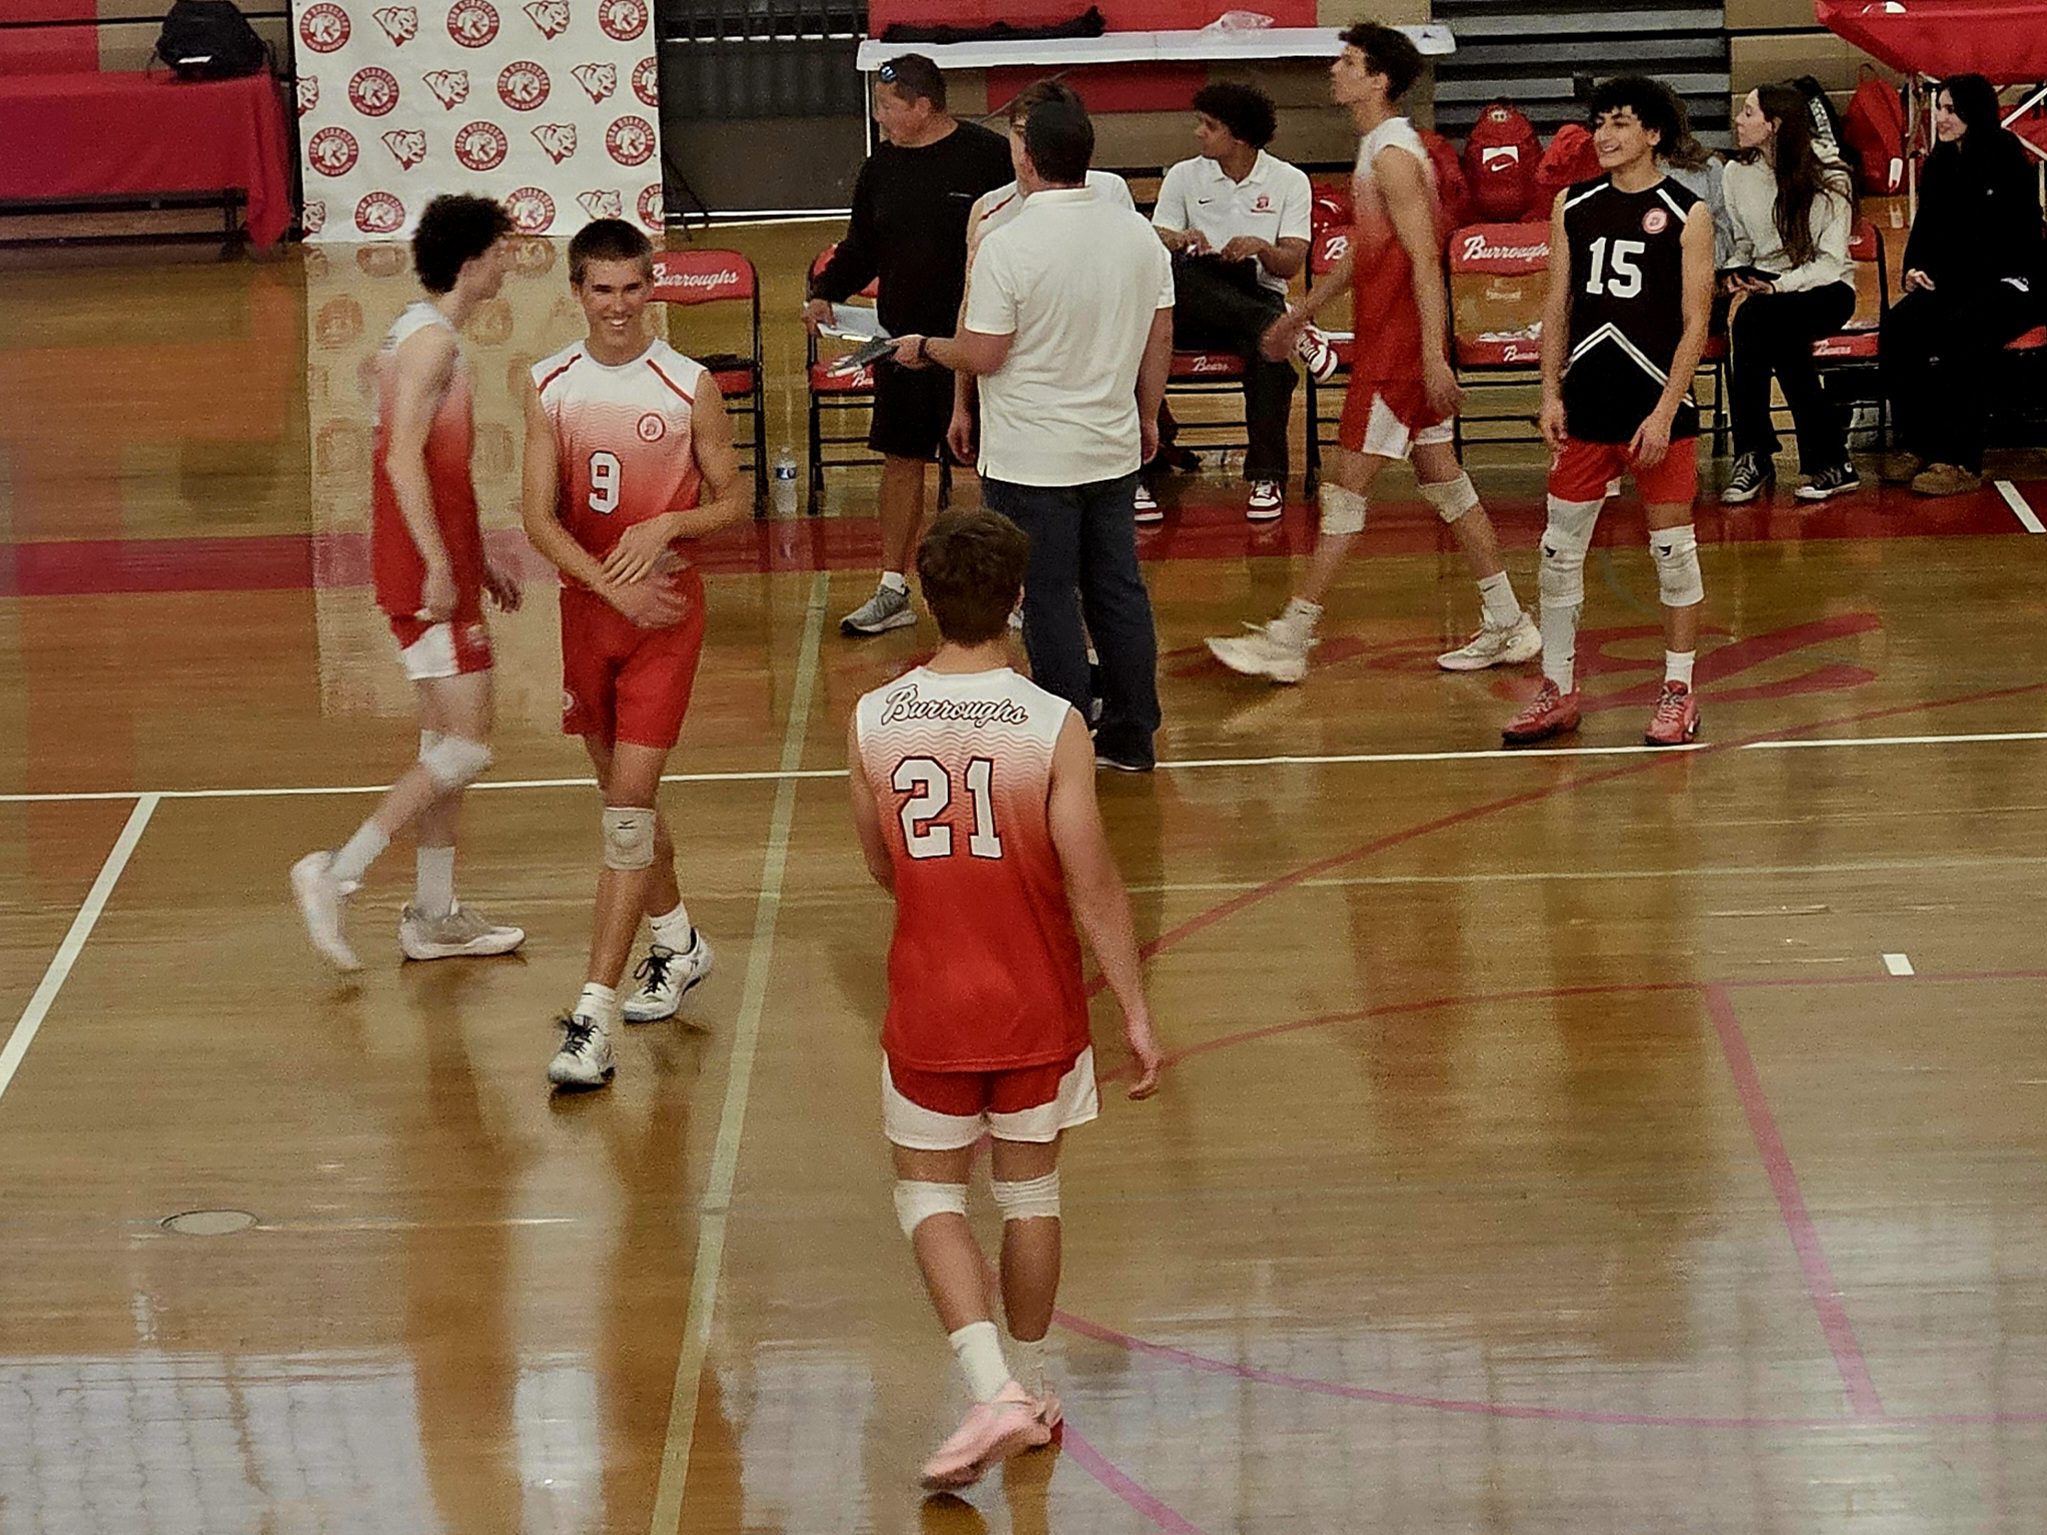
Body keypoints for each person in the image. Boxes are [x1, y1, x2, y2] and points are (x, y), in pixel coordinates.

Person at [846, 507, 1162, 1491]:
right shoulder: (1052, 722)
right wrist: (1139, 1010)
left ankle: (988, 1385)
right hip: (1034, 1002)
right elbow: (1093, 879)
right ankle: (1023, 1383)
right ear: (1020, 598)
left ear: (929, 599)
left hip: (931, 1000)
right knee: (1029, 1197)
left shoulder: (871, 719)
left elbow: (881, 862)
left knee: (928, 1195)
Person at [1206, 22, 1539, 684]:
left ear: (1377, 79)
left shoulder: (1392, 156)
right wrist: (1300, 312)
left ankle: (1291, 637)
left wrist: (1433, 358)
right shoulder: (1376, 150)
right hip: (1394, 344)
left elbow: (1423, 260)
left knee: (1343, 495)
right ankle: (1508, 621)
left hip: (1398, 353)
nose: (1336, 70)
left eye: (1348, 61)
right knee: (1445, 482)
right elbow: (1365, 251)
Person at [520, 219, 752, 1090]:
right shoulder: (549, 384)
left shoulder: (688, 385)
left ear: (651, 287)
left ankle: (591, 1017)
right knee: (625, 800)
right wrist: (608, 584)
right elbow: (538, 518)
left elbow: (732, 500)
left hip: (664, 619)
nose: (617, 308)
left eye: (631, 289)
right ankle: (680, 943)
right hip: (589, 617)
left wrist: (669, 522)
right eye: (600, 290)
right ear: (577, 292)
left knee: (624, 817)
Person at [890, 92, 1172, 773]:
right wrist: (1145, 412)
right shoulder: (1135, 231)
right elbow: (1159, 328)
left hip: (1030, 458)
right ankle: (1132, 736)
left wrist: (925, 347)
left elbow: (983, 352)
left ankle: (1064, 745)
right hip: (1109, 445)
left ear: (1026, 155)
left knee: (1046, 600)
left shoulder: (1006, 243)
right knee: (1117, 590)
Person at [292, 194, 525, 972]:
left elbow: (438, 468)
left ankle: (432, 916)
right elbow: (399, 462)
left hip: (439, 559)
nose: (508, 261)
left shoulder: (422, 335)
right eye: (501, 249)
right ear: (471, 259)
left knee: (441, 745)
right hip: (422, 571)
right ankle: (339, 870)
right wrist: (437, 562)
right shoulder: (429, 346)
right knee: (465, 746)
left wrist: (475, 555)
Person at [1503, 75, 1714, 748]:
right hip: (1588, 403)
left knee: (1671, 552)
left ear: (1652, 133)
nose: (1604, 134)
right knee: (1557, 554)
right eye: (1599, 122)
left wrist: (1663, 411)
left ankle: (1678, 692)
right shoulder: (1574, 205)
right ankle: (1557, 688)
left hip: (1654, 408)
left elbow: (1694, 321)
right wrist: (1547, 392)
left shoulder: (1687, 213)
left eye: (1620, 122)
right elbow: (1556, 306)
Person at [804, 53, 1013, 637]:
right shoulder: (880, 169)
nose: (880, 117)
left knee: (982, 466)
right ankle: (892, 587)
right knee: (901, 462)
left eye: (888, 107)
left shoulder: (988, 157)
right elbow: (861, 247)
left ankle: (999, 594)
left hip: (976, 341)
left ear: (924, 107)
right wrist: (825, 291)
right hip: (901, 344)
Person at [1150, 81, 1337, 520]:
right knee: (1182, 274)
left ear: (1240, 137)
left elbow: (1290, 262)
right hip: (1194, 297)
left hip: (1255, 286)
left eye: (1208, 126)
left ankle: (1267, 478)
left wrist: (1261, 247)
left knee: (1267, 354)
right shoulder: (1182, 175)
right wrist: (1180, 238)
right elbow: (1156, 239)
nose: (1198, 132)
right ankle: (1291, 328)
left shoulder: (1288, 180)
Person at [1881, 73, 2047, 497]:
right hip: (1956, 282)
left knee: (1965, 330)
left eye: (1951, 110)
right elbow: (1926, 227)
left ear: (1975, 111)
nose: (1941, 117)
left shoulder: (2006, 156)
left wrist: (1957, 276)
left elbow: (2013, 239)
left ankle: (1961, 459)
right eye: (1938, 108)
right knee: (1900, 325)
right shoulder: (1939, 162)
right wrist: (1913, 268)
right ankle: (1918, 441)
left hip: (2012, 282)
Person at [1719, 83, 1861, 504]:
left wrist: (1778, 286)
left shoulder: (1829, 176)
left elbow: (1830, 262)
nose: (1738, 122)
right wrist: (1734, 274)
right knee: (1767, 329)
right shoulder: (1736, 173)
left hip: (1824, 288)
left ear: (1774, 125)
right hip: (1768, 288)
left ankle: (1754, 452)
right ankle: (1830, 462)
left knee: (1759, 322)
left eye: (1748, 113)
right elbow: (1745, 243)